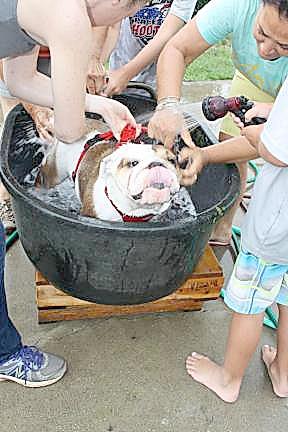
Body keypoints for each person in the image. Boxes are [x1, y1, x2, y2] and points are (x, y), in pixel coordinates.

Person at [0, 0, 146, 387]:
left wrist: (101, 105)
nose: (119, 23)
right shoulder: (71, 19)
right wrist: (111, 151)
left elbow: (20, 81)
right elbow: (68, 131)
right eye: (127, 15)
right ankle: (2, 355)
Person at [181, 75, 288, 403]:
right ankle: (284, 374)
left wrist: (260, 134)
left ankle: (228, 380)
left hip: (275, 226)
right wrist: (271, 110)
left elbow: (275, 149)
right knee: (286, 298)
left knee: (250, 304)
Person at [148, 0, 288, 245]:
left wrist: (206, 155)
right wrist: (168, 105)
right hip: (252, 77)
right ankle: (221, 231)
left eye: (284, 45)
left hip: (282, 92)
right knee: (230, 142)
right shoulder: (238, 4)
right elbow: (177, 49)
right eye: (261, 33)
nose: (265, 50)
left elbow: (273, 146)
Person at [104, 0, 197, 96]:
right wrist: (97, 64)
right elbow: (112, 23)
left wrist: (124, 75)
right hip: (116, 77)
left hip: (159, 87)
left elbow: (167, 33)